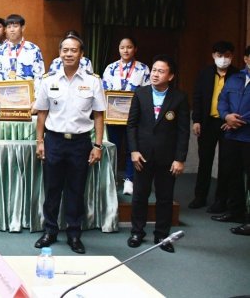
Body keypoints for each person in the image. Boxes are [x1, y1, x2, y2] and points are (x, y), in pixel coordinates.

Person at [34, 34, 105, 254]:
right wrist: (40, 141)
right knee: (52, 189)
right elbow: (42, 114)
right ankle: (50, 231)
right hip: (54, 141)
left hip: (80, 143)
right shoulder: (49, 80)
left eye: (73, 50)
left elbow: (99, 115)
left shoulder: (93, 81)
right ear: (60, 53)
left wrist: (98, 145)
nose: (68, 54)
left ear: (81, 54)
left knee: (76, 190)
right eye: (65, 50)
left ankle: (74, 234)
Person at [126, 54, 189, 252]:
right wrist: (134, 151)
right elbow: (132, 125)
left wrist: (180, 159)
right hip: (142, 156)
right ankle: (137, 231)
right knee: (140, 196)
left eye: (161, 71)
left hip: (167, 157)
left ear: (170, 76)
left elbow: (183, 131)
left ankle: (162, 236)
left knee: (164, 197)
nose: (155, 74)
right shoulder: (141, 93)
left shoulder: (179, 98)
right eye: (154, 70)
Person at [189, 40, 238, 211]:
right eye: (219, 55)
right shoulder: (205, 73)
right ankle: (200, 197)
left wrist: (231, 120)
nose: (223, 59)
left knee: (226, 163)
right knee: (205, 160)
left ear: (232, 56)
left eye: (227, 56)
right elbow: (197, 97)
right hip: (207, 122)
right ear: (213, 56)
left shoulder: (237, 75)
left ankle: (220, 200)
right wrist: (196, 120)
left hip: (227, 124)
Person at [102, 37, 151, 195]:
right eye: (122, 47)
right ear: (119, 49)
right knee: (113, 147)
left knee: (132, 148)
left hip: (135, 116)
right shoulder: (111, 68)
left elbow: (147, 93)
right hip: (113, 115)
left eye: (129, 47)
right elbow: (104, 90)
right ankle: (112, 177)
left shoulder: (143, 68)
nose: (125, 50)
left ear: (135, 49)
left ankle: (130, 179)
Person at [217, 45, 250, 235]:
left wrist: (238, 120)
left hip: (247, 136)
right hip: (231, 135)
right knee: (232, 175)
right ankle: (235, 212)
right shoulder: (235, 78)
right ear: (246, 59)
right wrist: (226, 116)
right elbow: (222, 99)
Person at [0, 13, 44, 102]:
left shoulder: (33, 49)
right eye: (9, 27)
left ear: (22, 28)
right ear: (5, 30)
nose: (12, 30)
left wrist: (37, 101)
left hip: (27, 101)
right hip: (2, 101)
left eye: (15, 26)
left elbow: (39, 77)